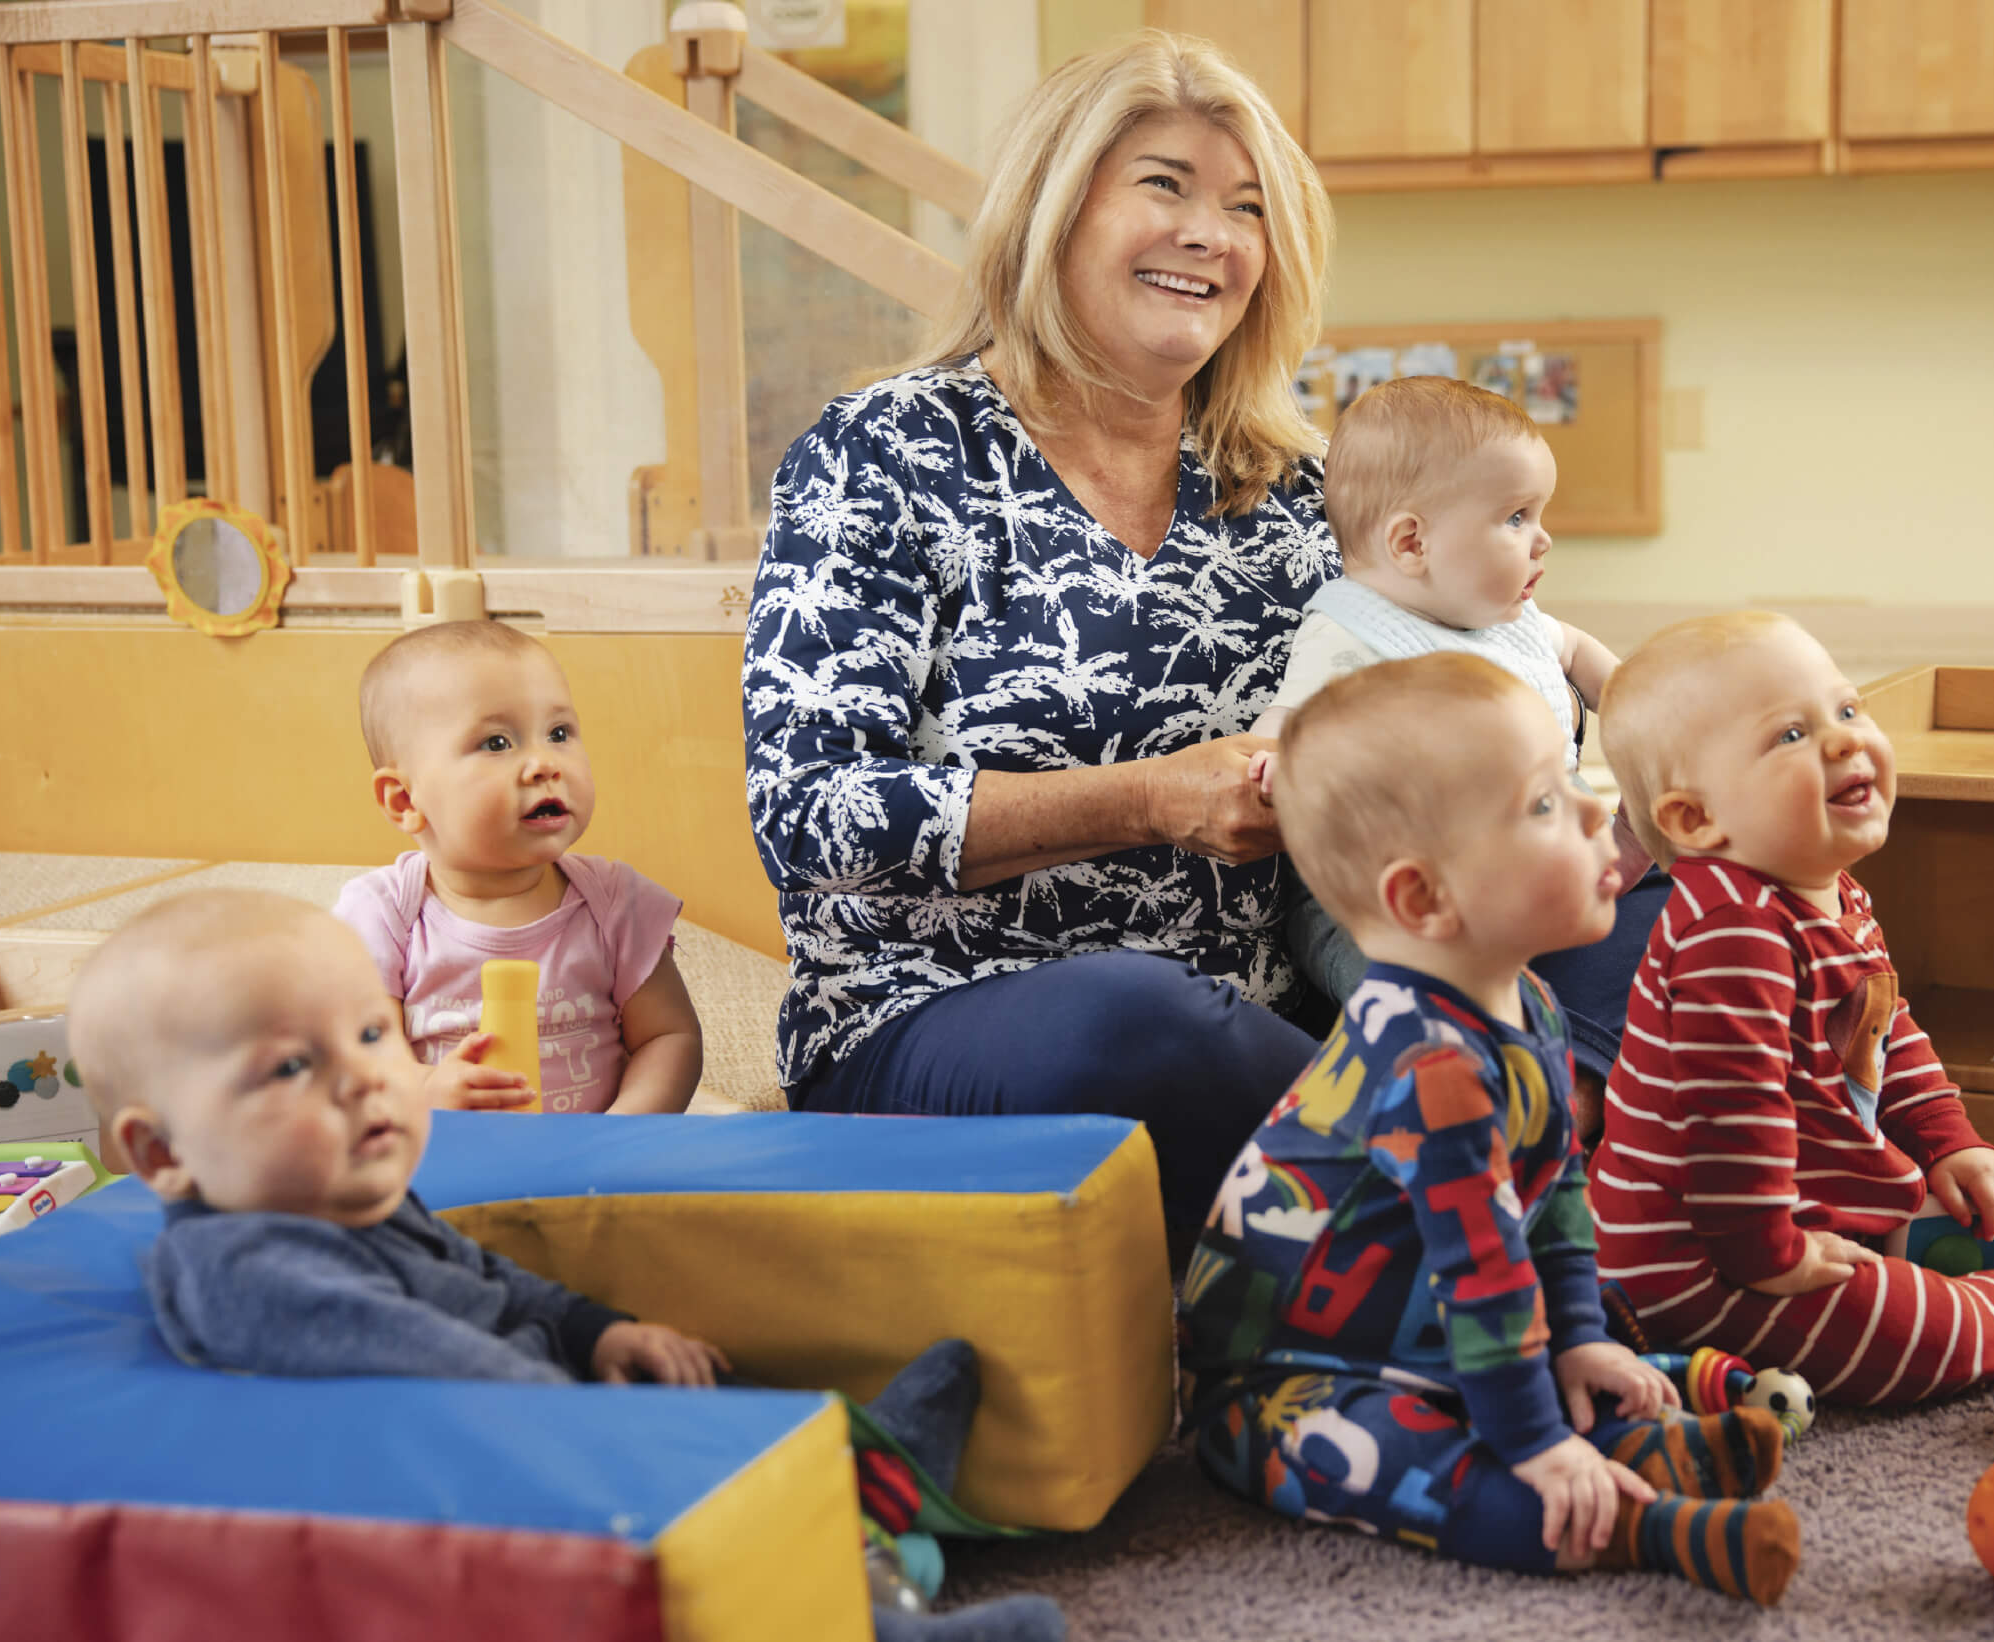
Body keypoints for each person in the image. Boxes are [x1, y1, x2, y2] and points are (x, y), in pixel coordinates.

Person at [65, 889, 1061, 1642]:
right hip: (499, 1496)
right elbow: (440, 1369)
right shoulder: (245, 1264)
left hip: (550, 1423)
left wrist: (598, 1329)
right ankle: (869, 1613)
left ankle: (873, 1479)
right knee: (711, 1549)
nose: (367, 1079)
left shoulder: (355, 1196)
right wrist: (605, 1427)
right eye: (291, 1067)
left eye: (372, 1033)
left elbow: (491, 1281)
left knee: (718, 1382)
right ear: (162, 1154)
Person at [741, 31, 1336, 1267]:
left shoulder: (1288, 488)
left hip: (1256, 1020)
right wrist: (1151, 801)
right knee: (1133, 1016)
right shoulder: (887, 453)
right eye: (1163, 185)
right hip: (924, 1021)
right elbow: (808, 810)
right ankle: (1522, 1249)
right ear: (1052, 212)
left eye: (1245, 208)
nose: (1210, 235)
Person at [1178, 655, 1800, 1607]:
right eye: (1546, 804)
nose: (1599, 813)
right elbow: (1483, 1273)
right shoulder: (1426, 1067)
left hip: (1433, 1335)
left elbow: (1551, 1198)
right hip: (1288, 1384)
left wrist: (1581, 1335)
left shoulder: (1531, 1004)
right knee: (1407, 1465)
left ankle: (1631, 1434)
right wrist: (1537, 1445)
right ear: (1424, 900)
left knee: (1551, 1365)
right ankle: (1644, 1526)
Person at [1588, 612, 1994, 1404]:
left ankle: (1952, 1248)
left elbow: (1882, 1031)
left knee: (1972, 1195)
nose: (1843, 741)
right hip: (1696, 1260)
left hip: (1798, 1200)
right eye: (1788, 737)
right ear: (1695, 820)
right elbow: (1730, 1123)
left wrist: (1949, 1144)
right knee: (1914, 1335)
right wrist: (1768, 1256)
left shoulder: (1825, 887)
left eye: (1845, 711)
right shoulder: (1729, 933)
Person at [1242, 376, 1663, 1137]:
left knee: (1669, 906)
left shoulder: (1513, 617)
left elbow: (1575, 652)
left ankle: (1573, 1067)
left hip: (1532, 853)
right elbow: (1288, 717)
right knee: (1407, 984)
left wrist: (1638, 703)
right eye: (1514, 517)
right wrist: (1276, 756)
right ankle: (1452, 1102)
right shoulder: (1348, 634)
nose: (1542, 539)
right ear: (1411, 543)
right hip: (1386, 897)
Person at [336, 620, 703, 1114]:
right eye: (497, 743)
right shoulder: (383, 914)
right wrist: (422, 1089)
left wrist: (619, 1135)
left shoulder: (615, 903)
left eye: (558, 733)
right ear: (405, 799)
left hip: (589, 1167)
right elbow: (359, 1054)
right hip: (446, 1161)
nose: (544, 764)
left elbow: (669, 1036)